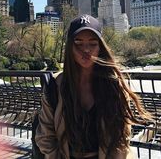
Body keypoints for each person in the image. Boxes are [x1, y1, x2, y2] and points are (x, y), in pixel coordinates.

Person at [35, 14, 150, 159]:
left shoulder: (114, 85)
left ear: (100, 47)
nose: (86, 50)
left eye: (93, 43)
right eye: (78, 43)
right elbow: (45, 136)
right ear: (70, 47)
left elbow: (121, 140)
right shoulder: (54, 86)